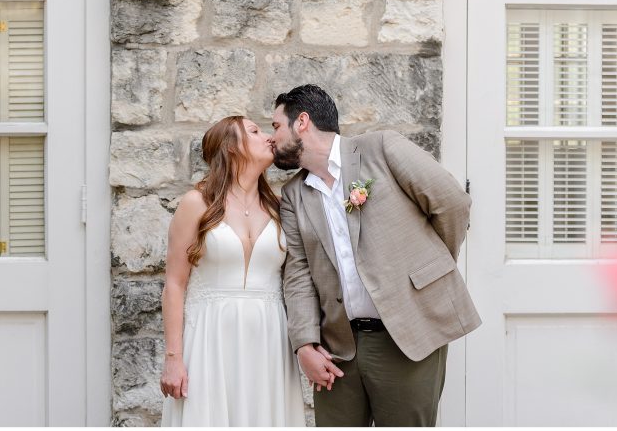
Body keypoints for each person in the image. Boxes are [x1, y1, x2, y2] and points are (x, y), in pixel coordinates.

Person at [272, 84, 481, 426]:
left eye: (276, 126)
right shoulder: (293, 194)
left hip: (407, 335)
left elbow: (452, 203)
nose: (272, 138)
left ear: (302, 123)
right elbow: (298, 275)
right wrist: (305, 345)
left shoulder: (381, 148)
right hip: (338, 350)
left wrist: (432, 267)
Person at [160, 116, 306, 426]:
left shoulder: (281, 207)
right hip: (210, 338)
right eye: (254, 131)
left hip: (269, 339)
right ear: (230, 146)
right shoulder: (196, 204)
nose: (268, 137)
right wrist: (173, 358)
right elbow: (174, 283)